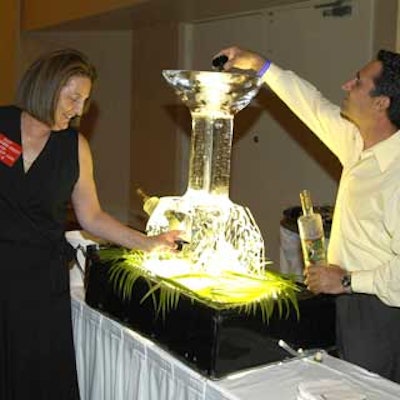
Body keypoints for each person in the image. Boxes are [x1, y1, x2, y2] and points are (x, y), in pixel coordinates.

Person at [0, 48, 182, 399]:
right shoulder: (1, 126)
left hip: (40, 282)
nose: (79, 110)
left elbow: (92, 216)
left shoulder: (75, 147)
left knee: (36, 378)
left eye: (84, 101)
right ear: (46, 86)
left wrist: (149, 242)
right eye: (73, 98)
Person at [215, 46, 400, 383]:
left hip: (380, 311)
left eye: (357, 82)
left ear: (381, 103)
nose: (346, 85)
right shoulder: (357, 143)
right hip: (344, 300)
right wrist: (262, 66)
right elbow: (311, 105)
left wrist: (346, 281)